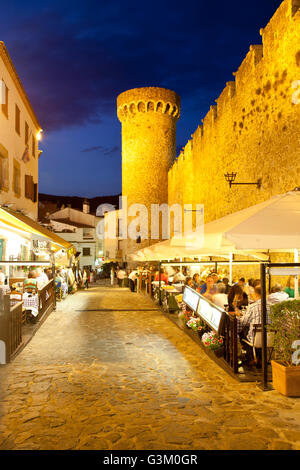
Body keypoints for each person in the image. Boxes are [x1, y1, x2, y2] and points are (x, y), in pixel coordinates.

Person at [237, 285, 270, 351]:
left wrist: (239, 316)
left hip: (255, 340)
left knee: (243, 331)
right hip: (269, 340)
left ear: (255, 294)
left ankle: (247, 356)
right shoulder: (272, 306)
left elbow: (243, 322)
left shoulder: (252, 307)